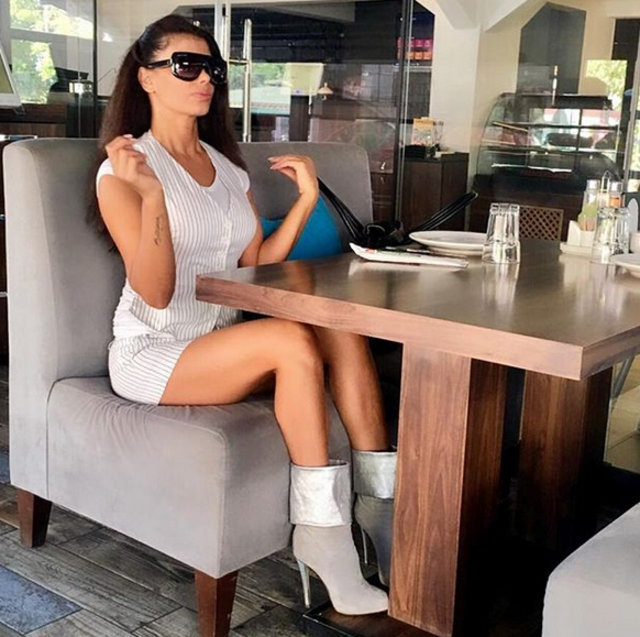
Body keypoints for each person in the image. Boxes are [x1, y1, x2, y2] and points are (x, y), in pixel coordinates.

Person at [91, 14, 395, 614]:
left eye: (211, 67)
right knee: (288, 341)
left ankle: (380, 507)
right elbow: (155, 293)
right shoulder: (123, 169)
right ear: (146, 77)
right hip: (153, 352)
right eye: (186, 65)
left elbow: (253, 266)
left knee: (339, 327)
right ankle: (322, 532)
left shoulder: (228, 168)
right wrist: (152, 196)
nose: (205, 78)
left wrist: (307, 201)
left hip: (220, 341)